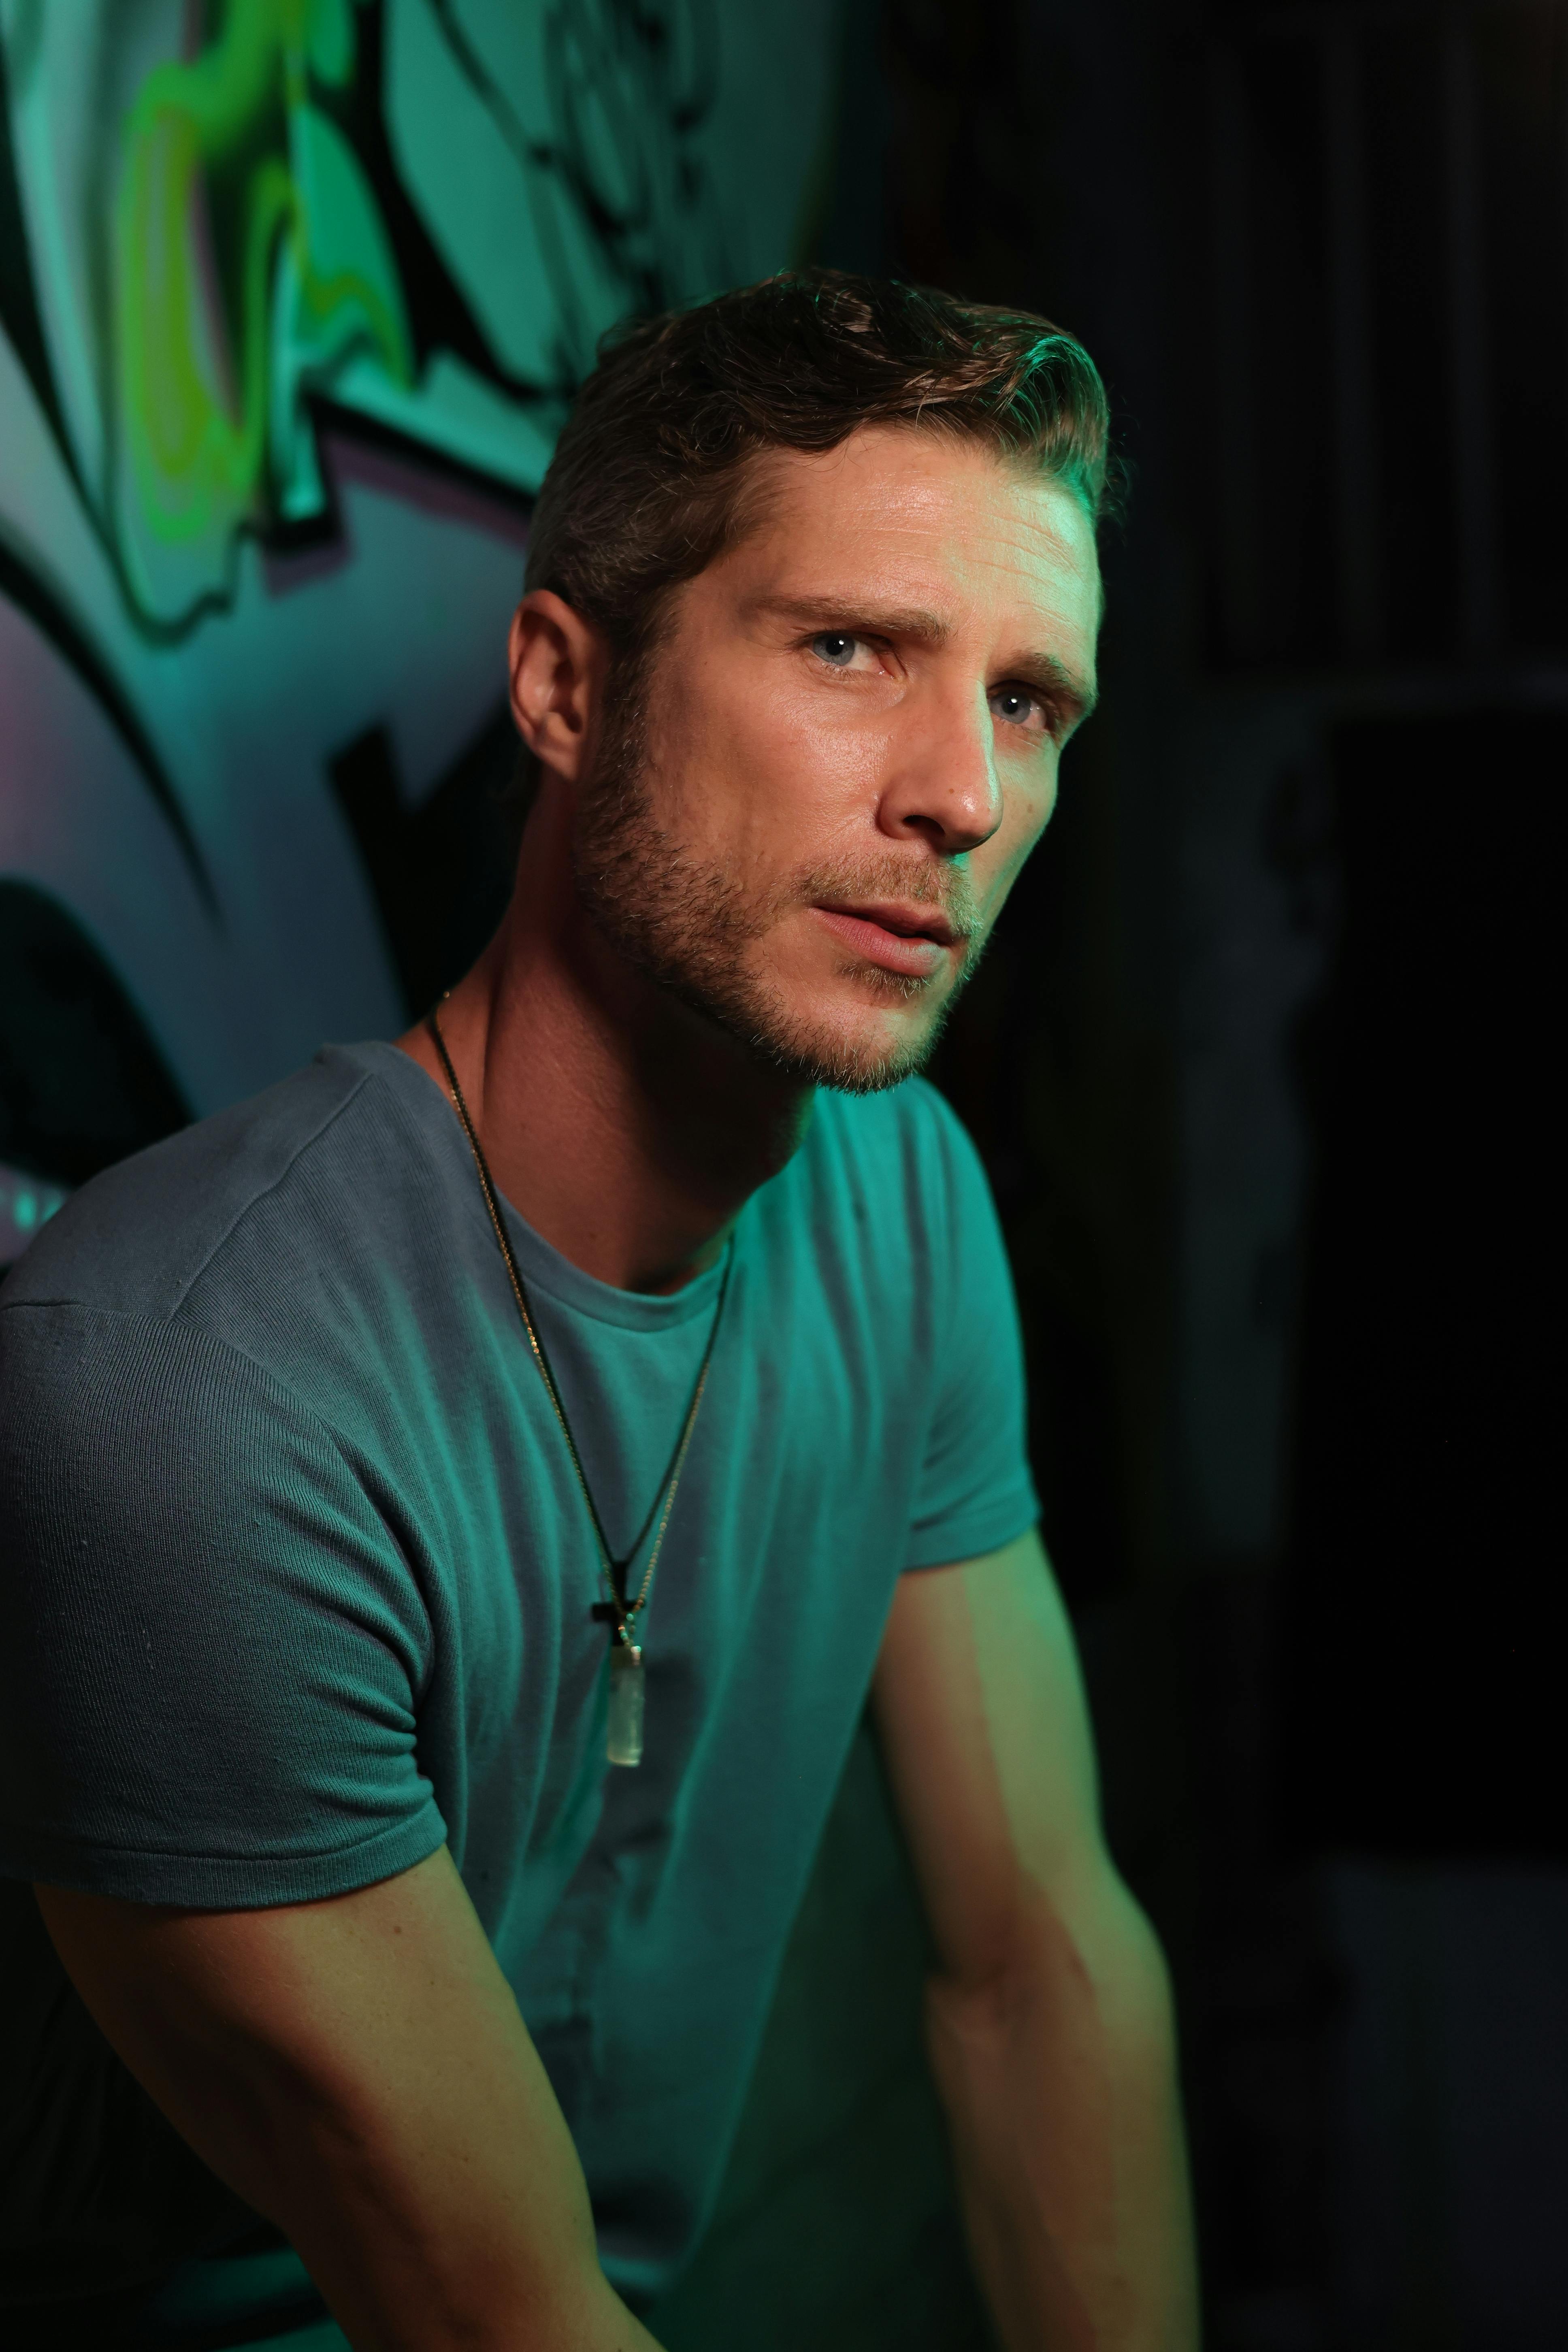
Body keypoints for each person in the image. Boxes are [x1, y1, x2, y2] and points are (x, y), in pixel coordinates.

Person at [0, 270, 1198, 2351]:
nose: (962, 797)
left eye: (1027, 702)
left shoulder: (896, 1198)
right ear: (562, 687)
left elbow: (1039, 1967)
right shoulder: (182, 1384)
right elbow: (489, 2311)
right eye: (850, 649)